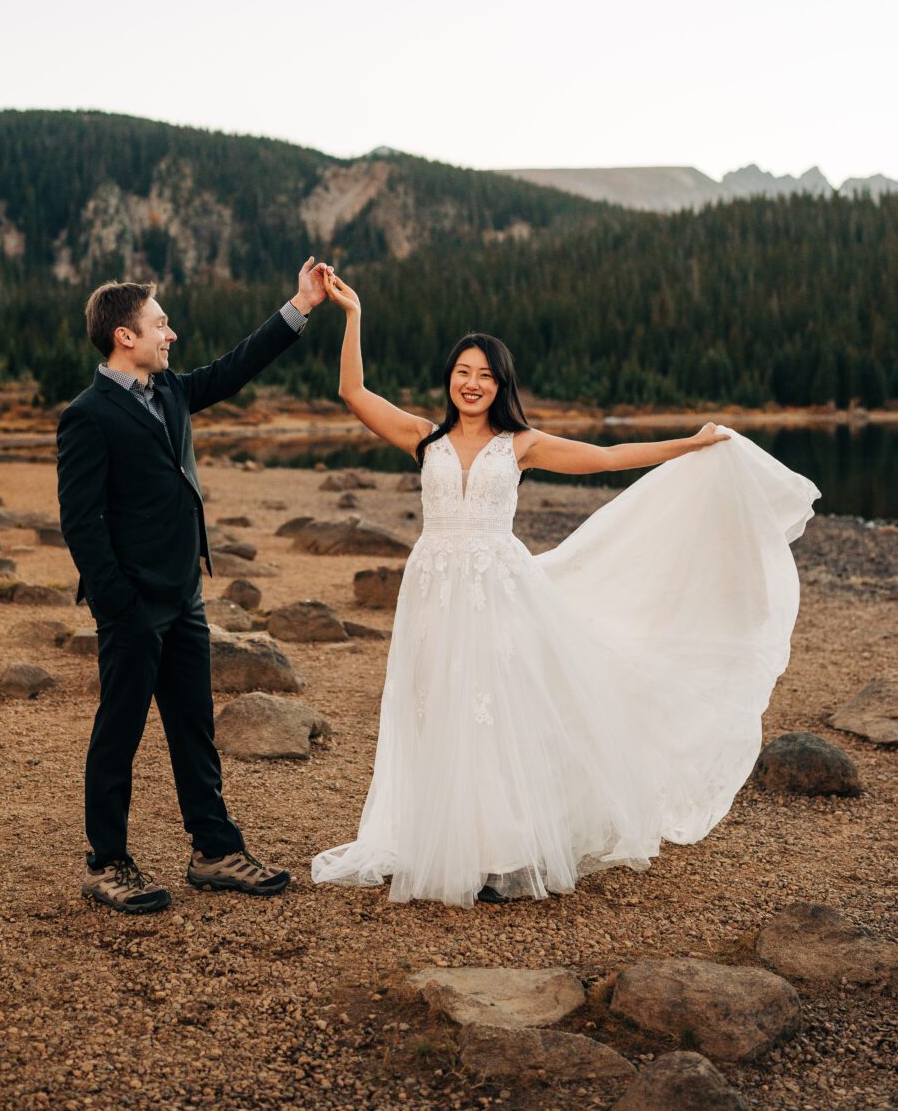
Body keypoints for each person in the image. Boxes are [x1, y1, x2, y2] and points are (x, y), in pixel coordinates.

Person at [311, 270, 819, 908]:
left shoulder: (519, 444)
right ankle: (447, 845)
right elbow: (352, 391)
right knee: (436, 709)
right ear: (450, 379)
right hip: (434, 590)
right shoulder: (424, 437)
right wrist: (353, 314)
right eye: (463, 371)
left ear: (502, 386)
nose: (473, 383)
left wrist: (691, 443)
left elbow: (607, 456)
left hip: (499, 589)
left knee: (495, 713)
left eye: (486, 375)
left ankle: (504, 853)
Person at [58, 258, 328, 913]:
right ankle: (107, 862)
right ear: (125, 335)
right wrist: (117, 600)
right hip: (132, 605)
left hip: (184, 595)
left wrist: (299, 305)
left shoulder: (171, 391)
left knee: (192, 727)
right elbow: (80, 521)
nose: (169, 333)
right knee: (118, 732)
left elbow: (235, 367)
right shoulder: (87, 415)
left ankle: (213, 851)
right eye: (159, 323)